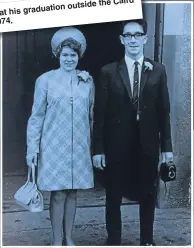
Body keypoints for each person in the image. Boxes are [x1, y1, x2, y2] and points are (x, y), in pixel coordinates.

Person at [92, 19, 173, 246]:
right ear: (122, 40)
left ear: (145, 38)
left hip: (147, 144)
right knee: (113, 196)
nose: (133, 40)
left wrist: (167, 148)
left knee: (148, 194)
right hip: (116, 144)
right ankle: (114, 240)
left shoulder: (158, 70)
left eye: (138, 35)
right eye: (128, 35)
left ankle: (146, 239)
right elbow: (100, 114)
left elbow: (164, 112)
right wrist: (98, 149)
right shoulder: (108, 71)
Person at [26, 27, 95, 246]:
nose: (69, 59)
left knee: (73, 192)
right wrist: (32, 149)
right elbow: (36, 116)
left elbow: (92, 116)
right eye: (65, 54)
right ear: (58, 55)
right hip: (54, 144)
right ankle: (57, 240)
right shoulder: (45, 80)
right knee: (58, 194)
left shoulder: (87, 81)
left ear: (79, 56)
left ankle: (70, 238)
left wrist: (93, 147)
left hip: (79, 146)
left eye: (73, 55)